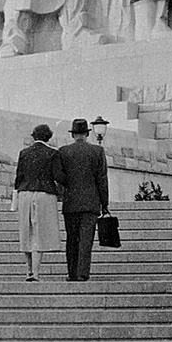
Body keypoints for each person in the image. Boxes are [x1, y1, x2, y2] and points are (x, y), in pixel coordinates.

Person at [58, 118, 109, 281]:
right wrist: (104, 203)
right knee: (86, 240)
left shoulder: (63, 151)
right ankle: (82, 273)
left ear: (73, 135)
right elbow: (102, 179)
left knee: (71, 239)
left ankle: (71, 273)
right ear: (87, 134)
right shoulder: (97, 151)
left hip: (71, 203)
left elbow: (60, 177)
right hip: (90, 202)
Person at [14, 124, 65, 281]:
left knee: (26, 232)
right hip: (44, 194)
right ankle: (35, 273)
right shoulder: (52, 153)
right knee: (39, 234)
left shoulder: (24, 153)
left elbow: (18, 178)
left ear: (33, 136)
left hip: (25, 194)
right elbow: (59, 177)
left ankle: (29, 269)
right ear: (48, 137)